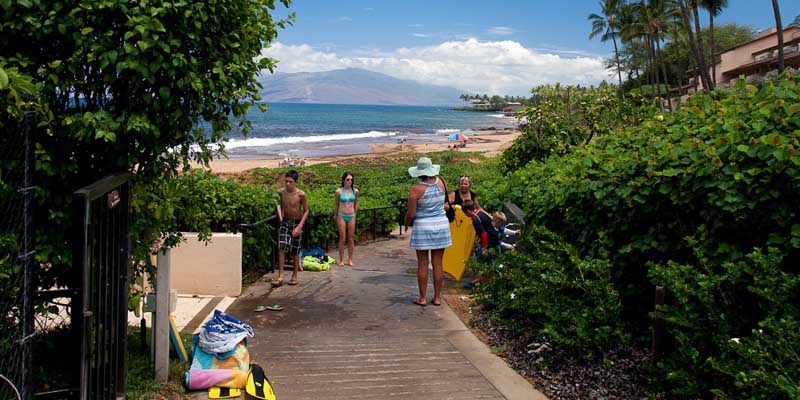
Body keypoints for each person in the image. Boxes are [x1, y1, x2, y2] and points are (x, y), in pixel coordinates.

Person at [405, 157, 452, 307]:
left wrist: (406, 224)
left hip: (423, 227)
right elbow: (444, 203)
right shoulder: (442, 183)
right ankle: (437, 298)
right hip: (441, 225)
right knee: (438, 264)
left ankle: (423, 298)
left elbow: (411, 214)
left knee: (423, 264)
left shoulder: (415, 189)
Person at [272, 170, 309, 287]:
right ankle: (281, 275)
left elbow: (306, 210)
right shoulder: (281, 192)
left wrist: (300, 226)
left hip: (297, 222)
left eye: (290, 182)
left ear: (295, 182)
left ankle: (294, 275)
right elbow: (278, 203)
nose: (288, 184)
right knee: (281, 246)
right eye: (286, 181)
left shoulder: (301, 194)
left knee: (295, 249)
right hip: (285, 221)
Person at [334, 172, 359, 266]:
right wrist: (335, 216)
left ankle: (350, 259)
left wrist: (355, 214)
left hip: (351, 215)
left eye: (351, 179)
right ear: (343, 180)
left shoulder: (355, 191)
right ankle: (341, 260)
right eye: (348, 179)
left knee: (351, 238)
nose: (350, 181)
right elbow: (336, 205)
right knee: (342, 238)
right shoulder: (338, 192)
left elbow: (356, 204)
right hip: (341, 216)